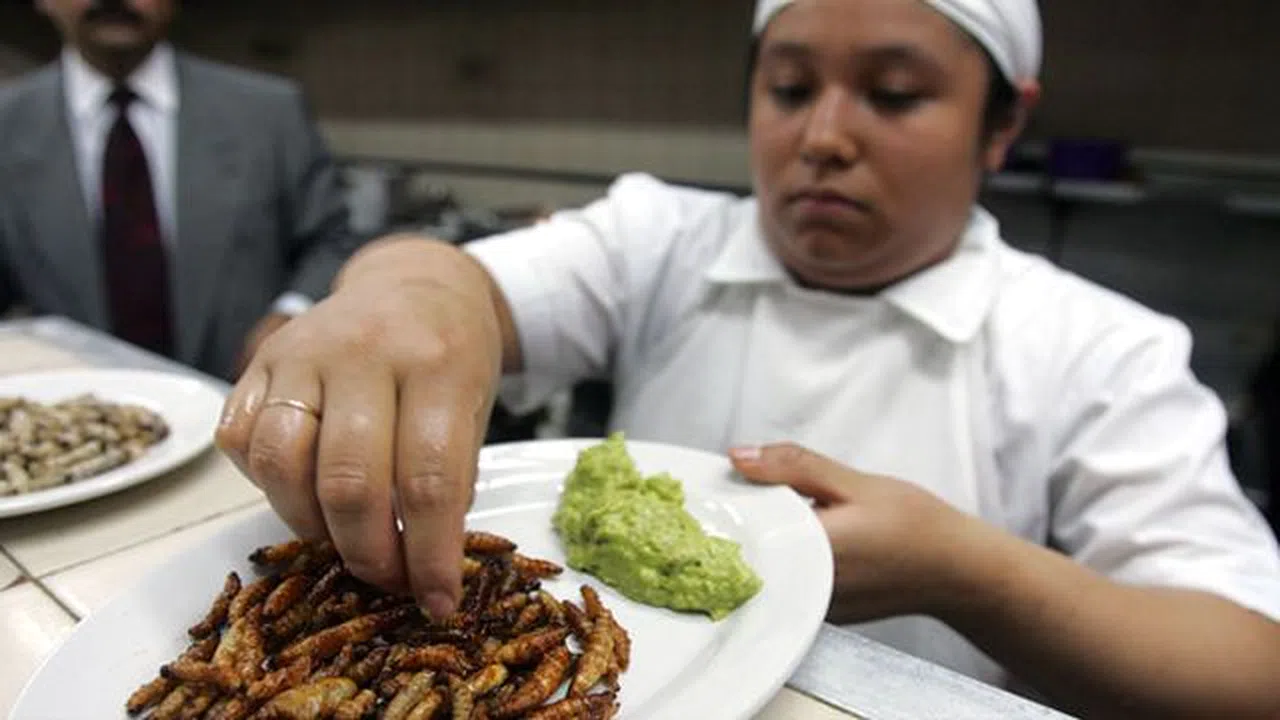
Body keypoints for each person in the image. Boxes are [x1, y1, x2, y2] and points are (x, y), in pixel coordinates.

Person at [215, 0, 1280, 716]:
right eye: (788, 88)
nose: (823, 137)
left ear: (1003, 125)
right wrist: (409, 291)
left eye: (894, 94)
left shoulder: (1099, 349)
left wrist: (967, 574)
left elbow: (1249, 667)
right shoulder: (661, 242)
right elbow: (457, 283)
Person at [0, 0, 357, 379]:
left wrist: (292, 314)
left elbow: (332, 241)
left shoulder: (270, 111)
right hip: (75, 402)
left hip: (241, 393)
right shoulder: (8, 123)